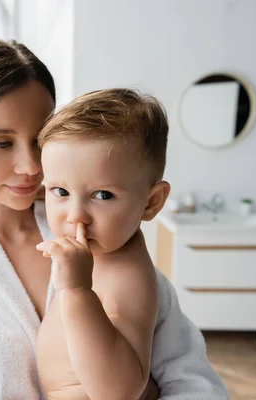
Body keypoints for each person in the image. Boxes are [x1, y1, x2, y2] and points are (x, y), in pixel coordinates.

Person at [0, 39, 228, 399]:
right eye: (1, 143)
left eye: (39, 140)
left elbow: (191, 379)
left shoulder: (104, 235)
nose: (30, 167)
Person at [36, 88, 171, 399]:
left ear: (151, 202)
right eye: (59, 192)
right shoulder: (106, 248)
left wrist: (76, 291)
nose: (75, 217)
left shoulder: (129, 277)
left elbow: (120, 392)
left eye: (103, 196)